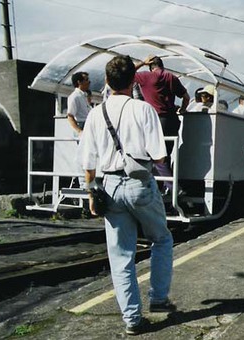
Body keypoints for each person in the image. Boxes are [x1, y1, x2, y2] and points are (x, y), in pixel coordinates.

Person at [80, 55, 176, 336]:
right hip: (139, 183)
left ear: (107, 82)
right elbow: (159, 155)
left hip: (109, 186)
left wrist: (90, 194)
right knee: (161, 238)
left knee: (121, 255)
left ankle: (133, 320)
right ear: (134, 81)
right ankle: (158, 299)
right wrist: (168, 183)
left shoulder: (96, 114)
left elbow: (88, 162)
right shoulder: (143, 109)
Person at [134, 55, 190, 196]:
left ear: (151, 66)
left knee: (155, 154)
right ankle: (165, 187)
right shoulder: (171, 77)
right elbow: (186, 97)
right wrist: (182, 109)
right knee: (167, 154)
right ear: (162, 65)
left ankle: (172, 188)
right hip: (171, 120)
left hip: (155, 120)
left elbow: (126, 74)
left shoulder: (146, 76)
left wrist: (142, 62)